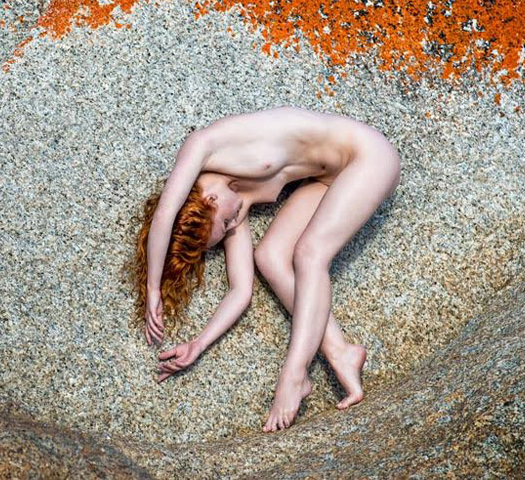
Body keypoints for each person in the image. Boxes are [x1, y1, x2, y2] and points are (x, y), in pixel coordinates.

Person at [127, 106, 401, 432]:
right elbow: (240, 291)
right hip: (329, 182)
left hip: (366, 157)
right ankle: (340, 352)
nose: (234, 226)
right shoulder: (232, 203)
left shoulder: (203, 145)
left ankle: (294, 374)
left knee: (310, 254)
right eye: (229, 229)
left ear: (210, 200)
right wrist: (198, 344)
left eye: (226, 223)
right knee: (269, 257)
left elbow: (164, 215)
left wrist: (153, 288)